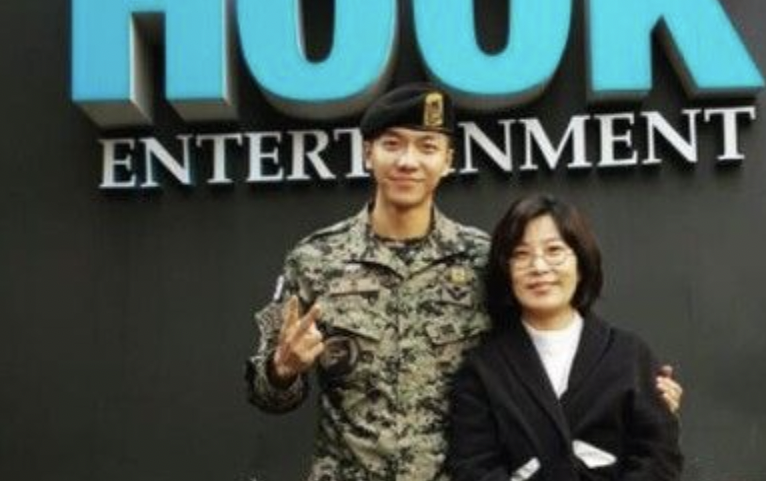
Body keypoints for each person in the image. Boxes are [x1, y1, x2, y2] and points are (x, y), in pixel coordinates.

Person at [246, 84, 683, 481]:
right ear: (367, 153)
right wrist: (282, 371)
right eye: (392, 144)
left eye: (427, 146)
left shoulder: (482, 259)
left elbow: (539, 357)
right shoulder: (314, 260)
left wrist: (641, 398)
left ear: (448, 160)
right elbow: (265, 394)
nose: (408, 161)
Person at [448, 194, 683, 481]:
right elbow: (473, 467)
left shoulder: (630, 356)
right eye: (521, 254)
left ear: (581, 263)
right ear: (506, 270)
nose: (539, 267)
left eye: (554, 250)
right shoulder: (482, 370)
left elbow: (659, 457)